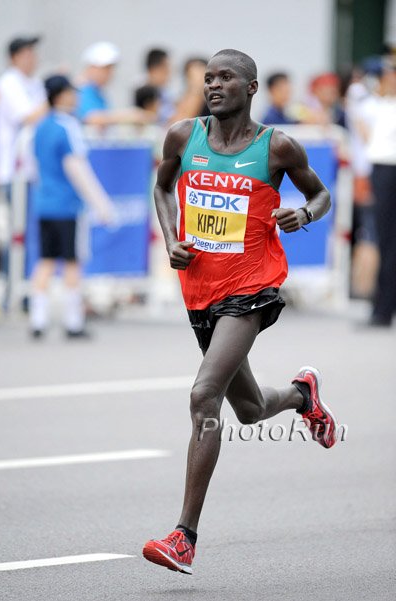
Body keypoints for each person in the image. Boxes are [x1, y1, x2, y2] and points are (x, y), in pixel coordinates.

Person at [142, 49, 338, 575]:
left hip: (253, 287)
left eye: (225, 78)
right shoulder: (184, 137)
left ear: (251, 88)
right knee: (249, 409)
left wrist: (303, 213)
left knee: (204, 393)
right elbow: (162, 187)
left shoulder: (278, 147)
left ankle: (183, 537)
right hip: (200, 288)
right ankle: (302, 395)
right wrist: (171, 238)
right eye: (208, 78)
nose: (213, 85)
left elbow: (321, 195)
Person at [30, 75, 114, 338]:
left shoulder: (40, 127)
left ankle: (38, 320)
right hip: (67, 205)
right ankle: (73, 322)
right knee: (71, 263)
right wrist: (101, 204)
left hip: (44, 202)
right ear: (61, 95)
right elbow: (76, 167)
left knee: (45, 260)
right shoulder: (68, 126)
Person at [0, 35, 48, 308]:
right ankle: (9, 293)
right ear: (15, 57)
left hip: (30, 172)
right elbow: (27, 116)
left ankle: (23, 292)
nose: (33, 58)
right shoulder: (9, 83)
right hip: (10, 173)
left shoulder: (33, 84)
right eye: (27, 53)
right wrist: (54, 96)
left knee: (27, 235)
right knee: (11, 234)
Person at [366, 57, 396, 326]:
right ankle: (382, 307)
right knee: (385, 242)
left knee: (389, 243)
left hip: (390, 169)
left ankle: (384, 309)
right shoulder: (380, 104)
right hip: (381, 170)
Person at [77, 42, 153, 127]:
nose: (109, 73)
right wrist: (129, 116)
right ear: (91, 67)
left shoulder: (98, 92)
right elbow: (92, 118)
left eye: (111, 68)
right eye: (105, 68)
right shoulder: (81, 90)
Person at [144, 48, 174, 124]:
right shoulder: (143, 91)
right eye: (165, 70)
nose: (169, 74)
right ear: (153, 69)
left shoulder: (163, 91)